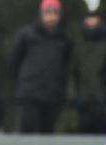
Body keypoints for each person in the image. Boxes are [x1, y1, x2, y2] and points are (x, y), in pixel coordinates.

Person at [10, 0, 72, 133]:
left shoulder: (64, 39)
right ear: (41, 14)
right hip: (30, 93)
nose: (51, 16)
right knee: (27, 130)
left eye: (54, 13)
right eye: (47, 12)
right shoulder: (26, 34)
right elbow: (14, 60)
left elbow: (66, 66)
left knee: (48, 133)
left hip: (53, 94)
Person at [72, 10, 106, 133]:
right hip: (83, 103)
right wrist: (74, 97)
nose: (91, 21)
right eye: (89, 17)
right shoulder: (77, 44)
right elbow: (73, 73)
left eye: (94, 17)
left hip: (102, 102)